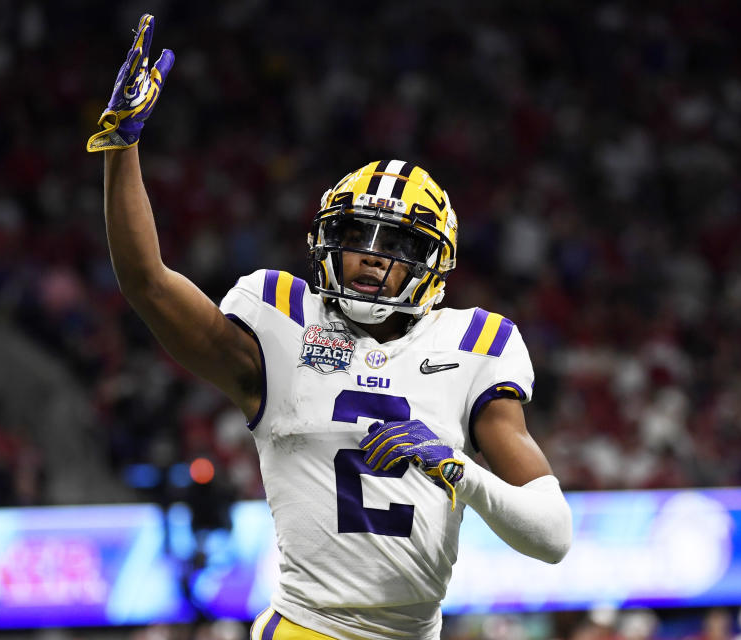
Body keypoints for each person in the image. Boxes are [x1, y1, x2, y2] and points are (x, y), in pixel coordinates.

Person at [87, 14, 572, 640]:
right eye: (354, 236)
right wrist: (121, 148)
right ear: (324, 242)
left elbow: (553, 537)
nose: (370, 255)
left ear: (433, 263)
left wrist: (458, 470)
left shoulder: (474, 344)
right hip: (306, 628)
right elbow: (147, 282)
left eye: (395, 243)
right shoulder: (280, 318)